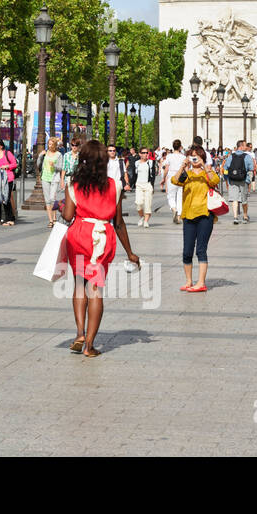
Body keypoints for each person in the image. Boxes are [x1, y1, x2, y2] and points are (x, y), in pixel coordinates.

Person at [60, 139, 140, 357]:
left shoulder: (73, 183)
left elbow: (67, 216)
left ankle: (79, 333)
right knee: (95, 290)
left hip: (78, 235)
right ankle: (90, 346)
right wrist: (130, 253)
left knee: (78, 286)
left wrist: (63, 207)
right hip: (102, 238)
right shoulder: (114, 185)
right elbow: (119, 223)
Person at [172, 144, 219, 292]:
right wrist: (183, 166)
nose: (194, 159)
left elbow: (215, 181)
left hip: (205, 215)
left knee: (201, 250)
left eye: (197, 156)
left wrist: (204, 166)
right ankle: (188, 281)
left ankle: (201, 283)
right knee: (187, 251)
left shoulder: (207, 172)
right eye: (192, 156)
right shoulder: (188, 174)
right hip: (188, 215)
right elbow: (175, 180)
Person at [0, 138, 18, 226]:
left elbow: (15, 164)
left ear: (1, 146)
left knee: (6, 198)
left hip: (7, 180)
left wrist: (7, 166)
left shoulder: (7, 153)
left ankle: (9, 219)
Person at [224, 140, 253, 225]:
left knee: (234, 199)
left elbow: (226, 167)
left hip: (233, 180)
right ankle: (244, 216)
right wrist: (248, 180)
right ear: (241, 146)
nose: (246, 147)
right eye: (245, 145)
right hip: (243, 180)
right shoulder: (247, 156)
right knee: (244, 199)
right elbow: (251, 169)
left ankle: (235, 217)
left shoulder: (231, 156)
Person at [128, 147, 158, 228]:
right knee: (138, 203)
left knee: (148, 204)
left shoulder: (151, 162)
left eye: (147, 153)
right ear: (140, 154)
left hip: (148, 185)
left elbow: (153, 175)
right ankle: (141, 217)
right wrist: (130, 185)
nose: (145, 154)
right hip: (139, 185)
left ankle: (146, 221)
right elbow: (134, 175)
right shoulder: (136, 163)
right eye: (143, 153)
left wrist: (152, 185)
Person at [37, 138, 61, 226]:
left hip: (54, 178)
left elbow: (60, 167)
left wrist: (54, 165)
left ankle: (54, 218)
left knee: (52, 199)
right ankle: (51, 220)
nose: (49, 146)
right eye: (49, 144)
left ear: (55, 145)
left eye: (51, 144)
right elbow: (38, 164)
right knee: (47, 200)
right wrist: (40, 156)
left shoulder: (58, 155)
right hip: (45, 178)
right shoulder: (45, 153)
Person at [162, 139, 186, 225]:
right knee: (180, 197)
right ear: (180, 147)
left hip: (171, 177)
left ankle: (174, 208)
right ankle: (179, 216)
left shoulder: (169, 156)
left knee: (170, 196)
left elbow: (166, 168)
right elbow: (186, 169)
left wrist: (163, 178)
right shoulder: (183, 157)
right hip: (180, 177)